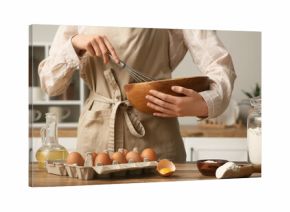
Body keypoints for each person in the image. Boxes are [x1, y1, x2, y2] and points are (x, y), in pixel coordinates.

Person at [38, 26, 236, 162]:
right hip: (94, 137)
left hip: (158, 137)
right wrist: (74, 44)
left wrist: (205, 102)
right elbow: (50, 83)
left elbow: (219, 64)